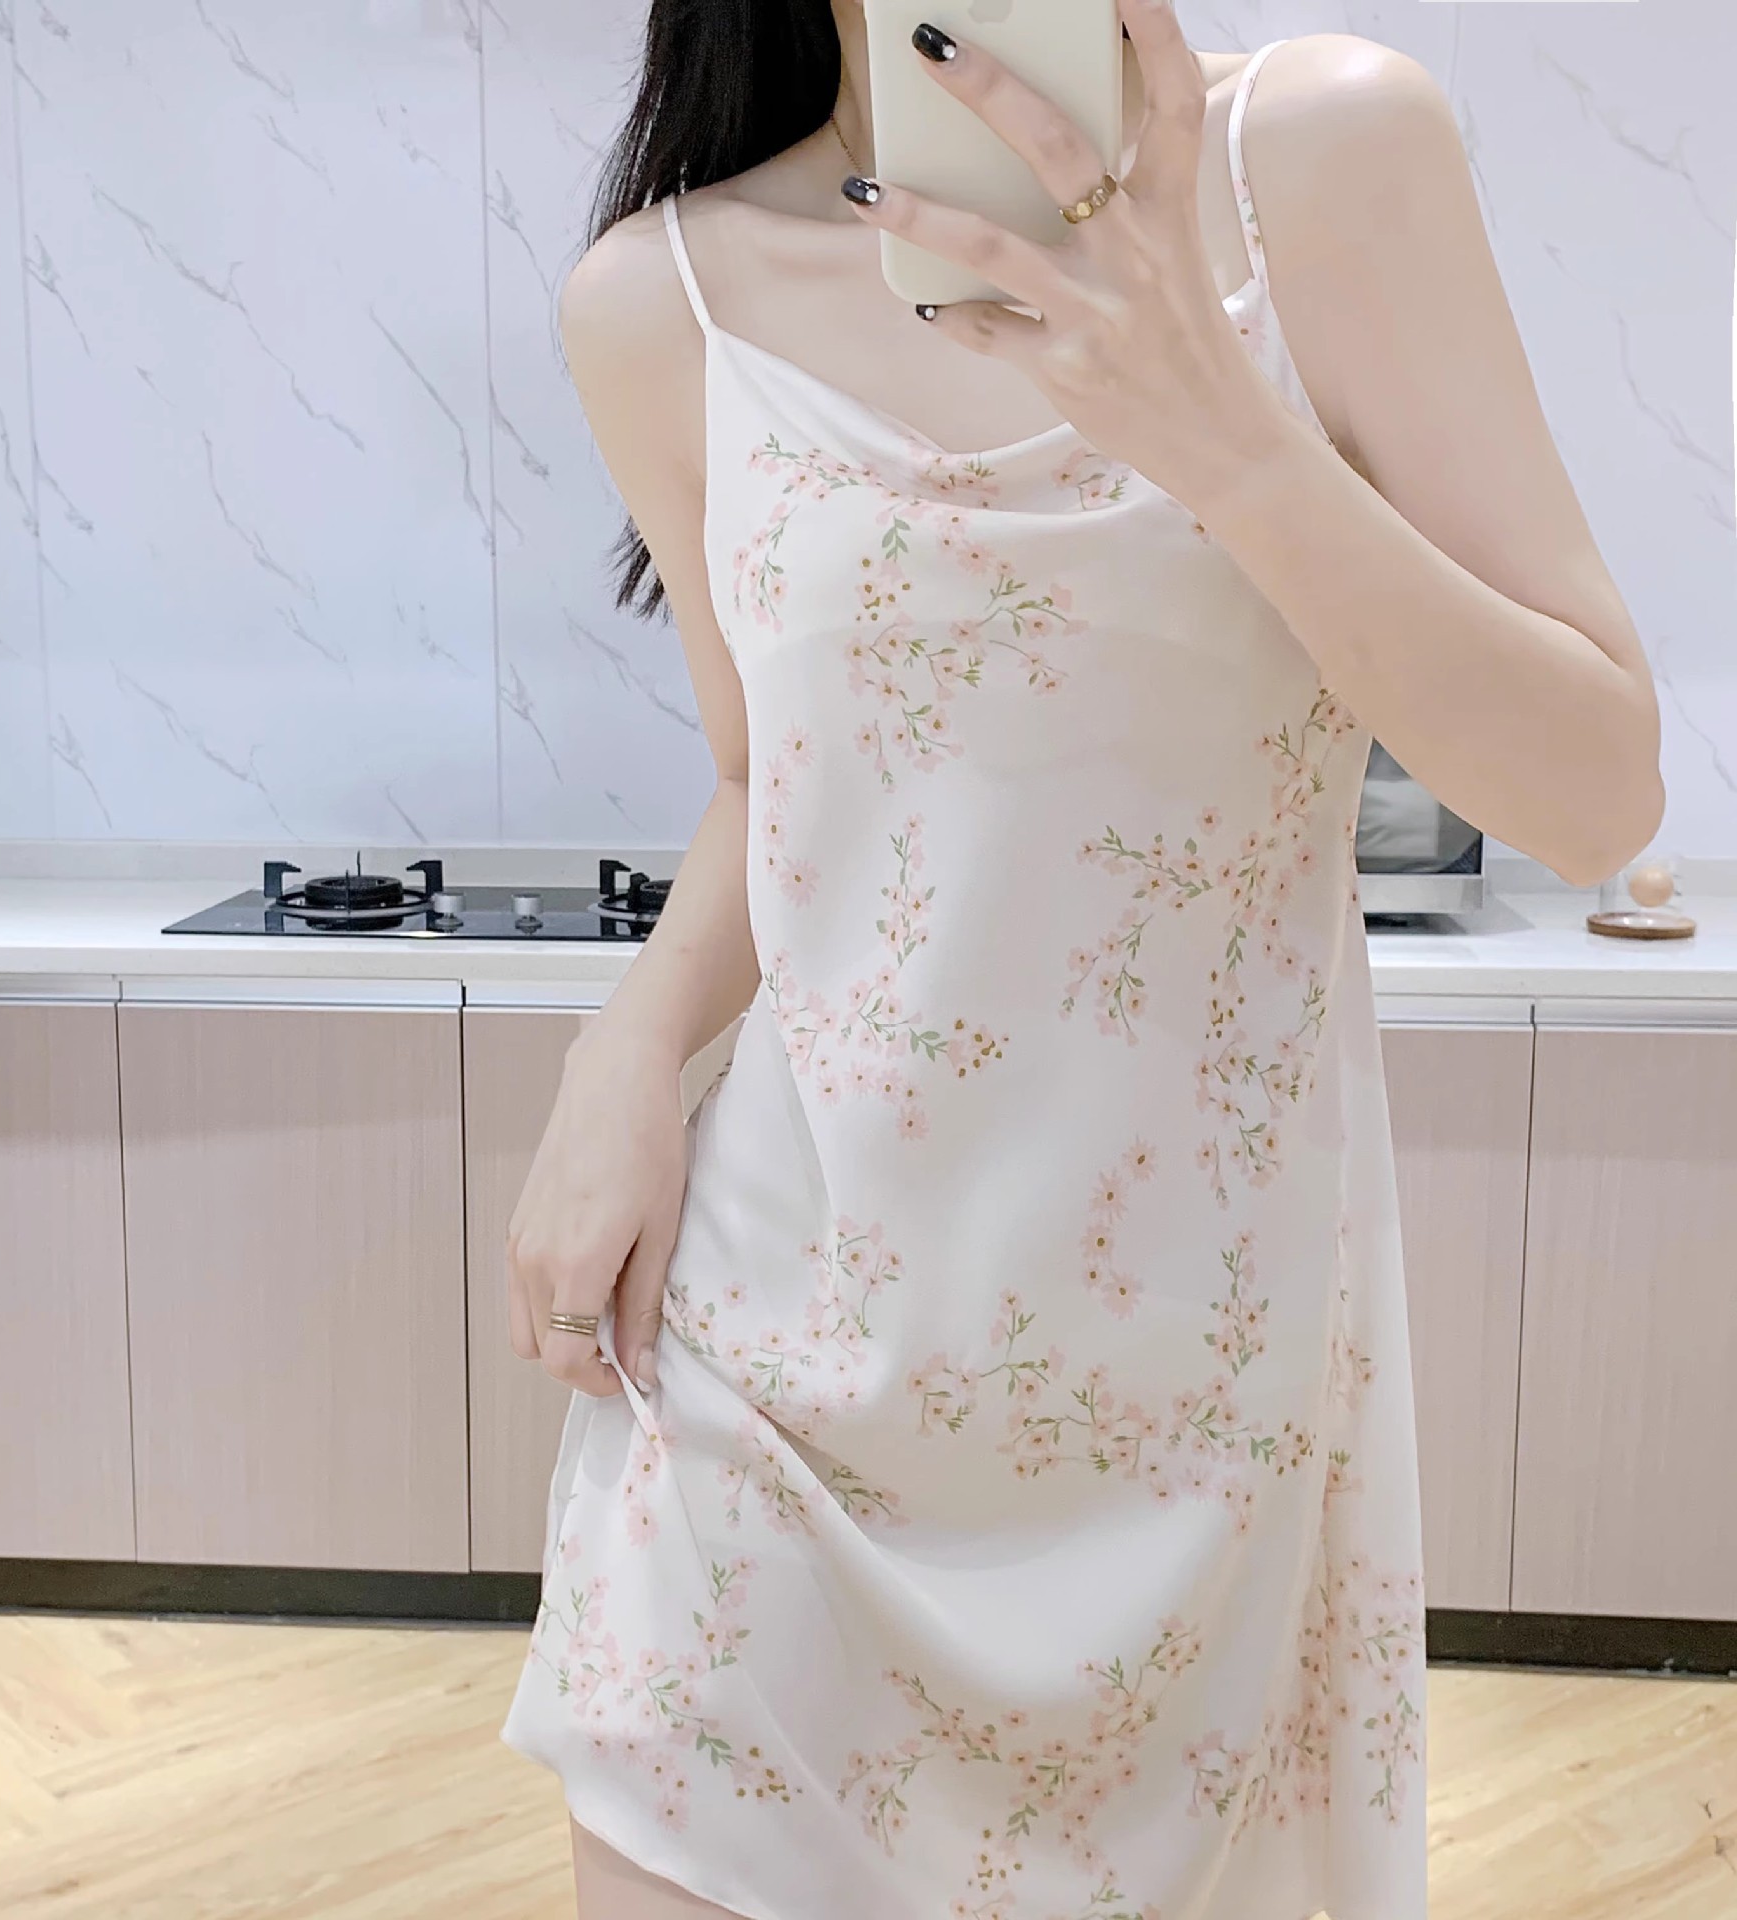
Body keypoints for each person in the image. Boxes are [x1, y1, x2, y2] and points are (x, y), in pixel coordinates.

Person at [498, 2, 1664, 1915]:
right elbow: (768, 779)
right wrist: (620, 1055)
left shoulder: (1321, 157)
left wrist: (1228, 434)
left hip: (1198, 1431)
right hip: (770, 1388)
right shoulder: (659, 304)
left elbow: (1597, 793)